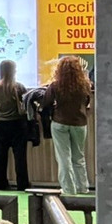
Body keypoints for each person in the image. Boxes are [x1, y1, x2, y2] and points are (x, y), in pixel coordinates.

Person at [44, 55, 92, 197]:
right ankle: (83, 187)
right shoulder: (85, 84)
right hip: (79, 123)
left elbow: (46, 102)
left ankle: (68, 189)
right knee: (79, 157)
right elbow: (87, 102)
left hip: (60, 122)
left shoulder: (55, 85)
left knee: (64, 157)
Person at [0, 60, 30, 192]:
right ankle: (22, 184)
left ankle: (0, 184)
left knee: (0, 156)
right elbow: (25, 102)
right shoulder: (19, 87)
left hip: (0, 123)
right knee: (20, 157)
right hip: (17, 124)